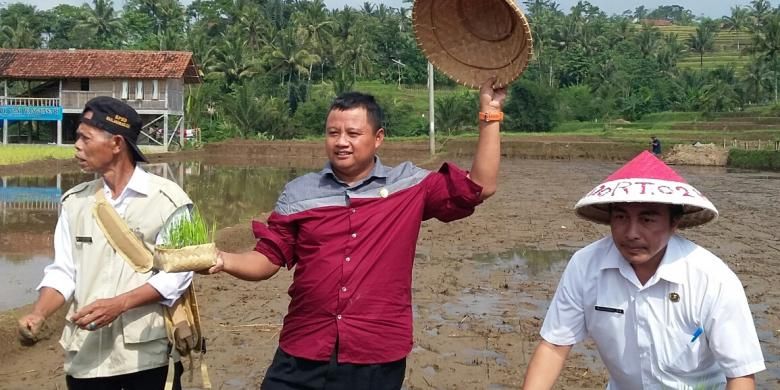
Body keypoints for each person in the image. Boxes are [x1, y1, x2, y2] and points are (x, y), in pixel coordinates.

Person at [206, 79, 506, 389]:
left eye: (353, 133)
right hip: (304, 349)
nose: (341, 142)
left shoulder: (409, 186)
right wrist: (222, 259)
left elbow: (480, 187)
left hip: (375, 354)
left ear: (378, 138)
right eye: (333, 133)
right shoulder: (299, 193)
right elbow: (267, 259)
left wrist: (490, 113)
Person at [522, 151, 765, 389]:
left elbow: (741, 375)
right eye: (621, 217)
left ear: (674, 222)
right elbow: (554, 346)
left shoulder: (712, 278)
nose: (631, 233)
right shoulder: (585, 266)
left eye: (647, 220)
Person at [17, 97, 192, 389]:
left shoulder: (172, 200)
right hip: (86, 358)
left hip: (147, 356)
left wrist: (121, 303)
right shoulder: (74, 202)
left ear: (116, 143)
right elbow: (63, 271)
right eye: (77, 138)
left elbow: (179, 274)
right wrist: (39, 312)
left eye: (85, 138)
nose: (77, 145)